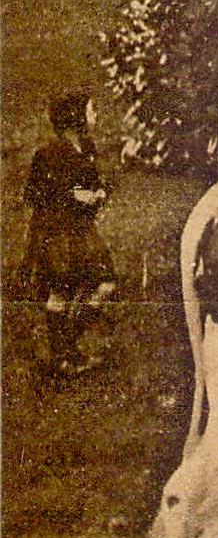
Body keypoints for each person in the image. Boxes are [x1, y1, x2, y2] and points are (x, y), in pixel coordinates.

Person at [24, 92, 116, 377]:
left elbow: (91, 184)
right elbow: (36, 194)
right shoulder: (49, 153)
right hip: (57, 234)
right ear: (76, 118)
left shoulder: (86, 148)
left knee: (106, 284)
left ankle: (69, 340)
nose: (96, 116)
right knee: (60, 290)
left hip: (81, 232)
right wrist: (76, 197)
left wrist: (98, 193)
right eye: (91, 111)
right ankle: (62, 358)